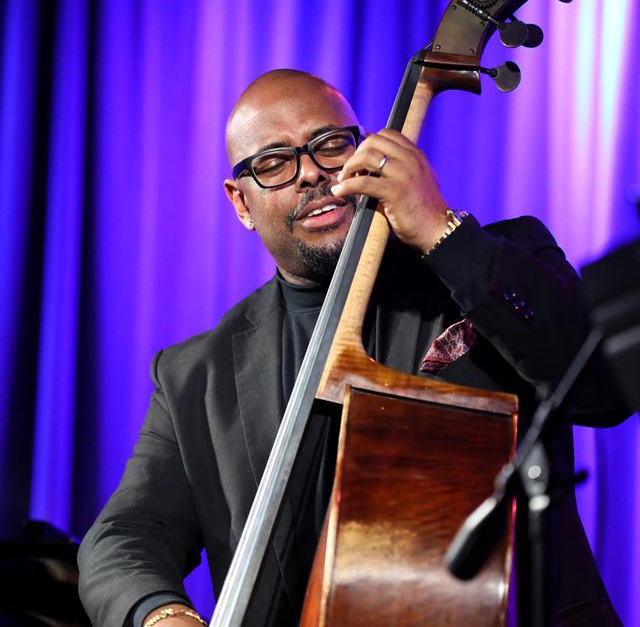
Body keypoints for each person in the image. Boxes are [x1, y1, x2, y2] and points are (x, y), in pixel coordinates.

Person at [78, 69, 626, 627]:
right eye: (272, 163)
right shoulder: (194, 374)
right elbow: (124, 537)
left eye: (331, 145)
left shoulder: (501, 260)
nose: (312, 172)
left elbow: (602, 392)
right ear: (240, 203)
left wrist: (440, 229)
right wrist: (162, 616)